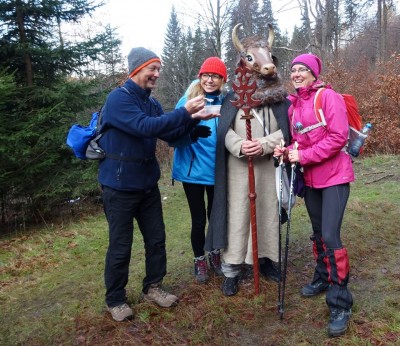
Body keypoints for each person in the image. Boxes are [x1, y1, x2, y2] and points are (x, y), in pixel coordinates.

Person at [98, 47, 218, 322]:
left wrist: (192, 123)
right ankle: (115, 299)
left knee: (156, 239)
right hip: (118, 186)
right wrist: (186, 112)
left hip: (147, 184)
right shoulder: (118, 99)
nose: (156, 74)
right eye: (153, 68)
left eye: (158, 69)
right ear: (136, 69)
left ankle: (153, 286)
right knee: (120, 245)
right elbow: (145, 127)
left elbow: (166, 131)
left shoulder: (150, 102)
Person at [274, 53, 354, 337]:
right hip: (311, 179)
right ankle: (322, 277)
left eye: (302, 70)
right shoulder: (295, 105)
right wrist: (286, 152)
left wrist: (303, 155)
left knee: (331, 237)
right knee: (319, 233)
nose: (296, 74)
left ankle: (340, 302)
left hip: (334, 177)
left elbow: (338, 137)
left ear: (313, 73)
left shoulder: (327, 97)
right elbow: (298, 141)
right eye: (293, 70)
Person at [205, 62, 291, 297]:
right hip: (237, 168)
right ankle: (231, 270)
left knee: (266, 213)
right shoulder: (232, 97)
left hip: (266, 167)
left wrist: (263, 145)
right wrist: (241, 145)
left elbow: (287, 129)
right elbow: (224, 130)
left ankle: (263, 261)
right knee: (237, 215)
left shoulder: (278, 99)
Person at [170, 57, 227, 283]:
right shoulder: (188, 100)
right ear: (199, 76)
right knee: (198, 219)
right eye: (206, 75)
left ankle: (214, 254)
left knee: (215, 217)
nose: (210, 80)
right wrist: (191, 130)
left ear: (223, 79)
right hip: (192, 172)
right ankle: (199, 260)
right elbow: (172, 134)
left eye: (215, 76)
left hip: (217, 171)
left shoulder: (225, 101)